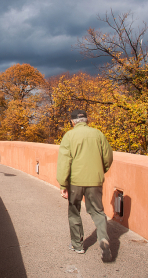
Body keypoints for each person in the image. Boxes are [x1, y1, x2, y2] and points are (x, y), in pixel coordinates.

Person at [56, 109, 113, 262]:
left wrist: (63, 184)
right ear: (87, 120)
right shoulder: (98, 134)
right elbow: (108, 157)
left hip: (75, 182)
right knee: (98, 212)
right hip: (95, 181)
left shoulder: (69, 136)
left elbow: (64, 162)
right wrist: (101, 171)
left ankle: (77, 245)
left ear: (73, 122)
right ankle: (103, 238)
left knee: (74, 212)